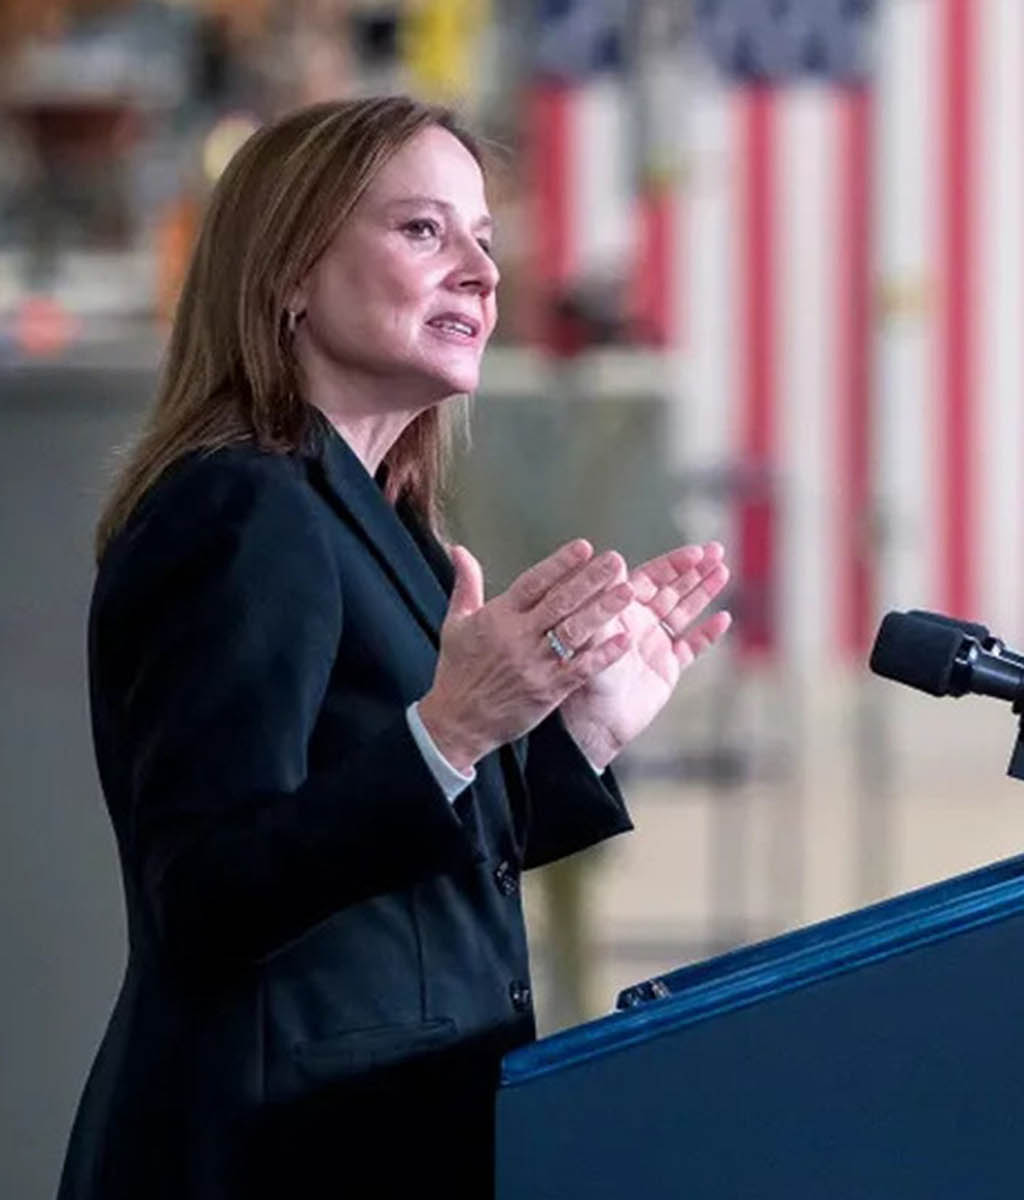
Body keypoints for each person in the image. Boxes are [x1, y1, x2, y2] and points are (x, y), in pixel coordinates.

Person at [58, 95, 731, 1200]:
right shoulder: (241, 510)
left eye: (484, 237)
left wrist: (574, 737)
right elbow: (206, 893)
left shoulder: (384, 523)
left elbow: (404, 863)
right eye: (424, 230)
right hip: (267, 1158)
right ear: (286, 273)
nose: (480, 270)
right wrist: (453, 726)